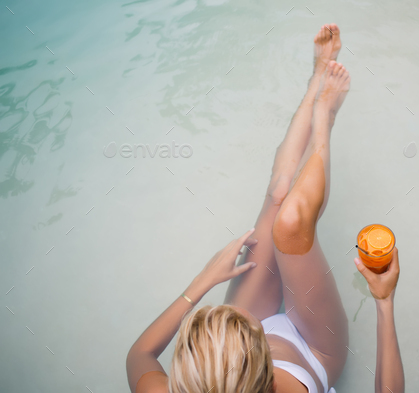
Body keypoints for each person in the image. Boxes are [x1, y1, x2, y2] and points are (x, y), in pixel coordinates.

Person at [126, 24, 404, 393]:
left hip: (233, 366)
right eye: (241, 327)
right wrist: (384, 302)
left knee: (279, 195)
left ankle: (315, 81)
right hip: (315, 353)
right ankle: (325, 123)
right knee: (290, 223)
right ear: (265, 375)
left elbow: (139, 356)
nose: (241, 319)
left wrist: (204, 280)